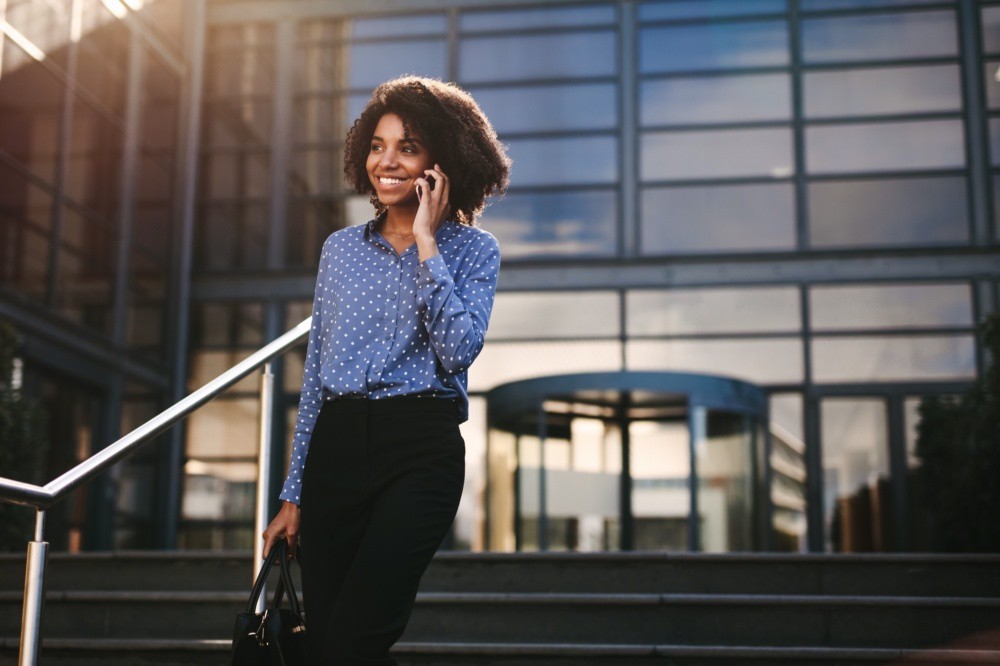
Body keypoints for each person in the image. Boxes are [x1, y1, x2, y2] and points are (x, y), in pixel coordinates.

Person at [260, 75, 511, 665]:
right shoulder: (340, 249)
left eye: (408, 146)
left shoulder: (476, 251)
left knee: (356, 638)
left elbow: (459, 351)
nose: (387, 161)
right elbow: (319, 371)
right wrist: (293, 493)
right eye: (377, 145)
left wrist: (426, 242)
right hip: (337, 450)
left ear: (443, 161)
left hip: (419, 450)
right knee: (326, 642)